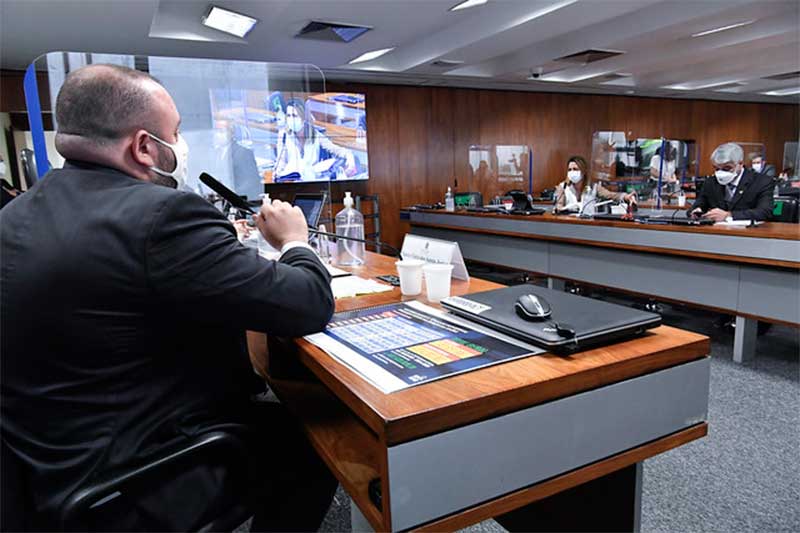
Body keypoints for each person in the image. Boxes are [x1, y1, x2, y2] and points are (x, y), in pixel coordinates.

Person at [0, 64, 337, 531]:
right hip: (135, 475)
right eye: (175, 133)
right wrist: (295, 240)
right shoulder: (163, 215)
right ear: (143, 146)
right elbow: (309, 302)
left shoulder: (16, 213)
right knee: (313, 442)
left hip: (47, 465)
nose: (180, 146)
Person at [689, 142, 774, 222]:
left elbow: (765, 212)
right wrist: (697, 211)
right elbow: (700, 203)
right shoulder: (711, 182)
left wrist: (728, 215)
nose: (721, 173)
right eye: (717, 168)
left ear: (740, 164)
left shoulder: (761, 182)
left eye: (727, 168)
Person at [274, 99, 356, 181]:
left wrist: (349, 157)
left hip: (313, 181)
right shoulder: (284, 135)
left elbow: (337, 150)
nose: (291, 119)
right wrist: (278, 174)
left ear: (303, 117)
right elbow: (281, 162)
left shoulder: (315, 134)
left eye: (294, 115)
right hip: (292, 182)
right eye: (288, 115)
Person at [554, 155, 636, 211]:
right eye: (569, 170)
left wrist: (625, 196)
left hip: (588, 225)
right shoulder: (563, 187)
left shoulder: (593, 187)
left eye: (575, 169)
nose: (572, 172)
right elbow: (559, 207)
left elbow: (611, 195)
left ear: (583, 171)